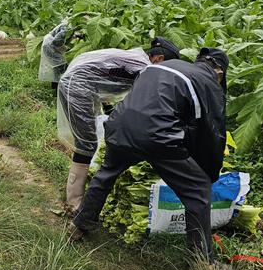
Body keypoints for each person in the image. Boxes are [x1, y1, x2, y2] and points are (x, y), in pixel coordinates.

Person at [70, 47, 229, 262]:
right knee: (198, 190)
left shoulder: (163, 67)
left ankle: (79, 225)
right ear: (219, 73)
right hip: (157, 136)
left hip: (120, 126)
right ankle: (203, 263)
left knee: (106, 174)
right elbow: (211, 132)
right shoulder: (207, 81)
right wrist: (208, 172)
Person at [57, 37, 180, 212]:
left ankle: (77, 195)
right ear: (158, 59)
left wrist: (110, 113)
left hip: (81, 86)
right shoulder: (143, 67)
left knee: (88, 142)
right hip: (78, 88)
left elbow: (106, 77)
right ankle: (74, 202)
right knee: (87, 145)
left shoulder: (135, 58)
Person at [38, 22, 68, 90]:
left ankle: (56, 88)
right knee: (61, 67)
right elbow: (56, 41)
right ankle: (59, 89)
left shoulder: (68, 24)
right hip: (50, 46)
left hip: (49, 45)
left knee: (57, 68)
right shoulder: (67, 27)